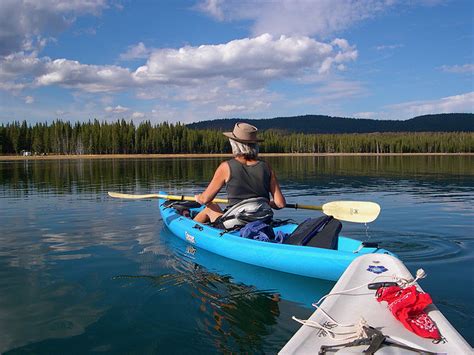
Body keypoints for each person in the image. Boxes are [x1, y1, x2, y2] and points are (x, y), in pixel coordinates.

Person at [194, 122, 286, 225]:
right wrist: (263, 203)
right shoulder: (266, 167)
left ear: (234, 144)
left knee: (211, 206)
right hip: (264, 219)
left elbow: (205, 199)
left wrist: (199, 198)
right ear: (255, 145)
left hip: (236, 222)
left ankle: (189, 231)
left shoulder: (226, 167)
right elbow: (280, 203)